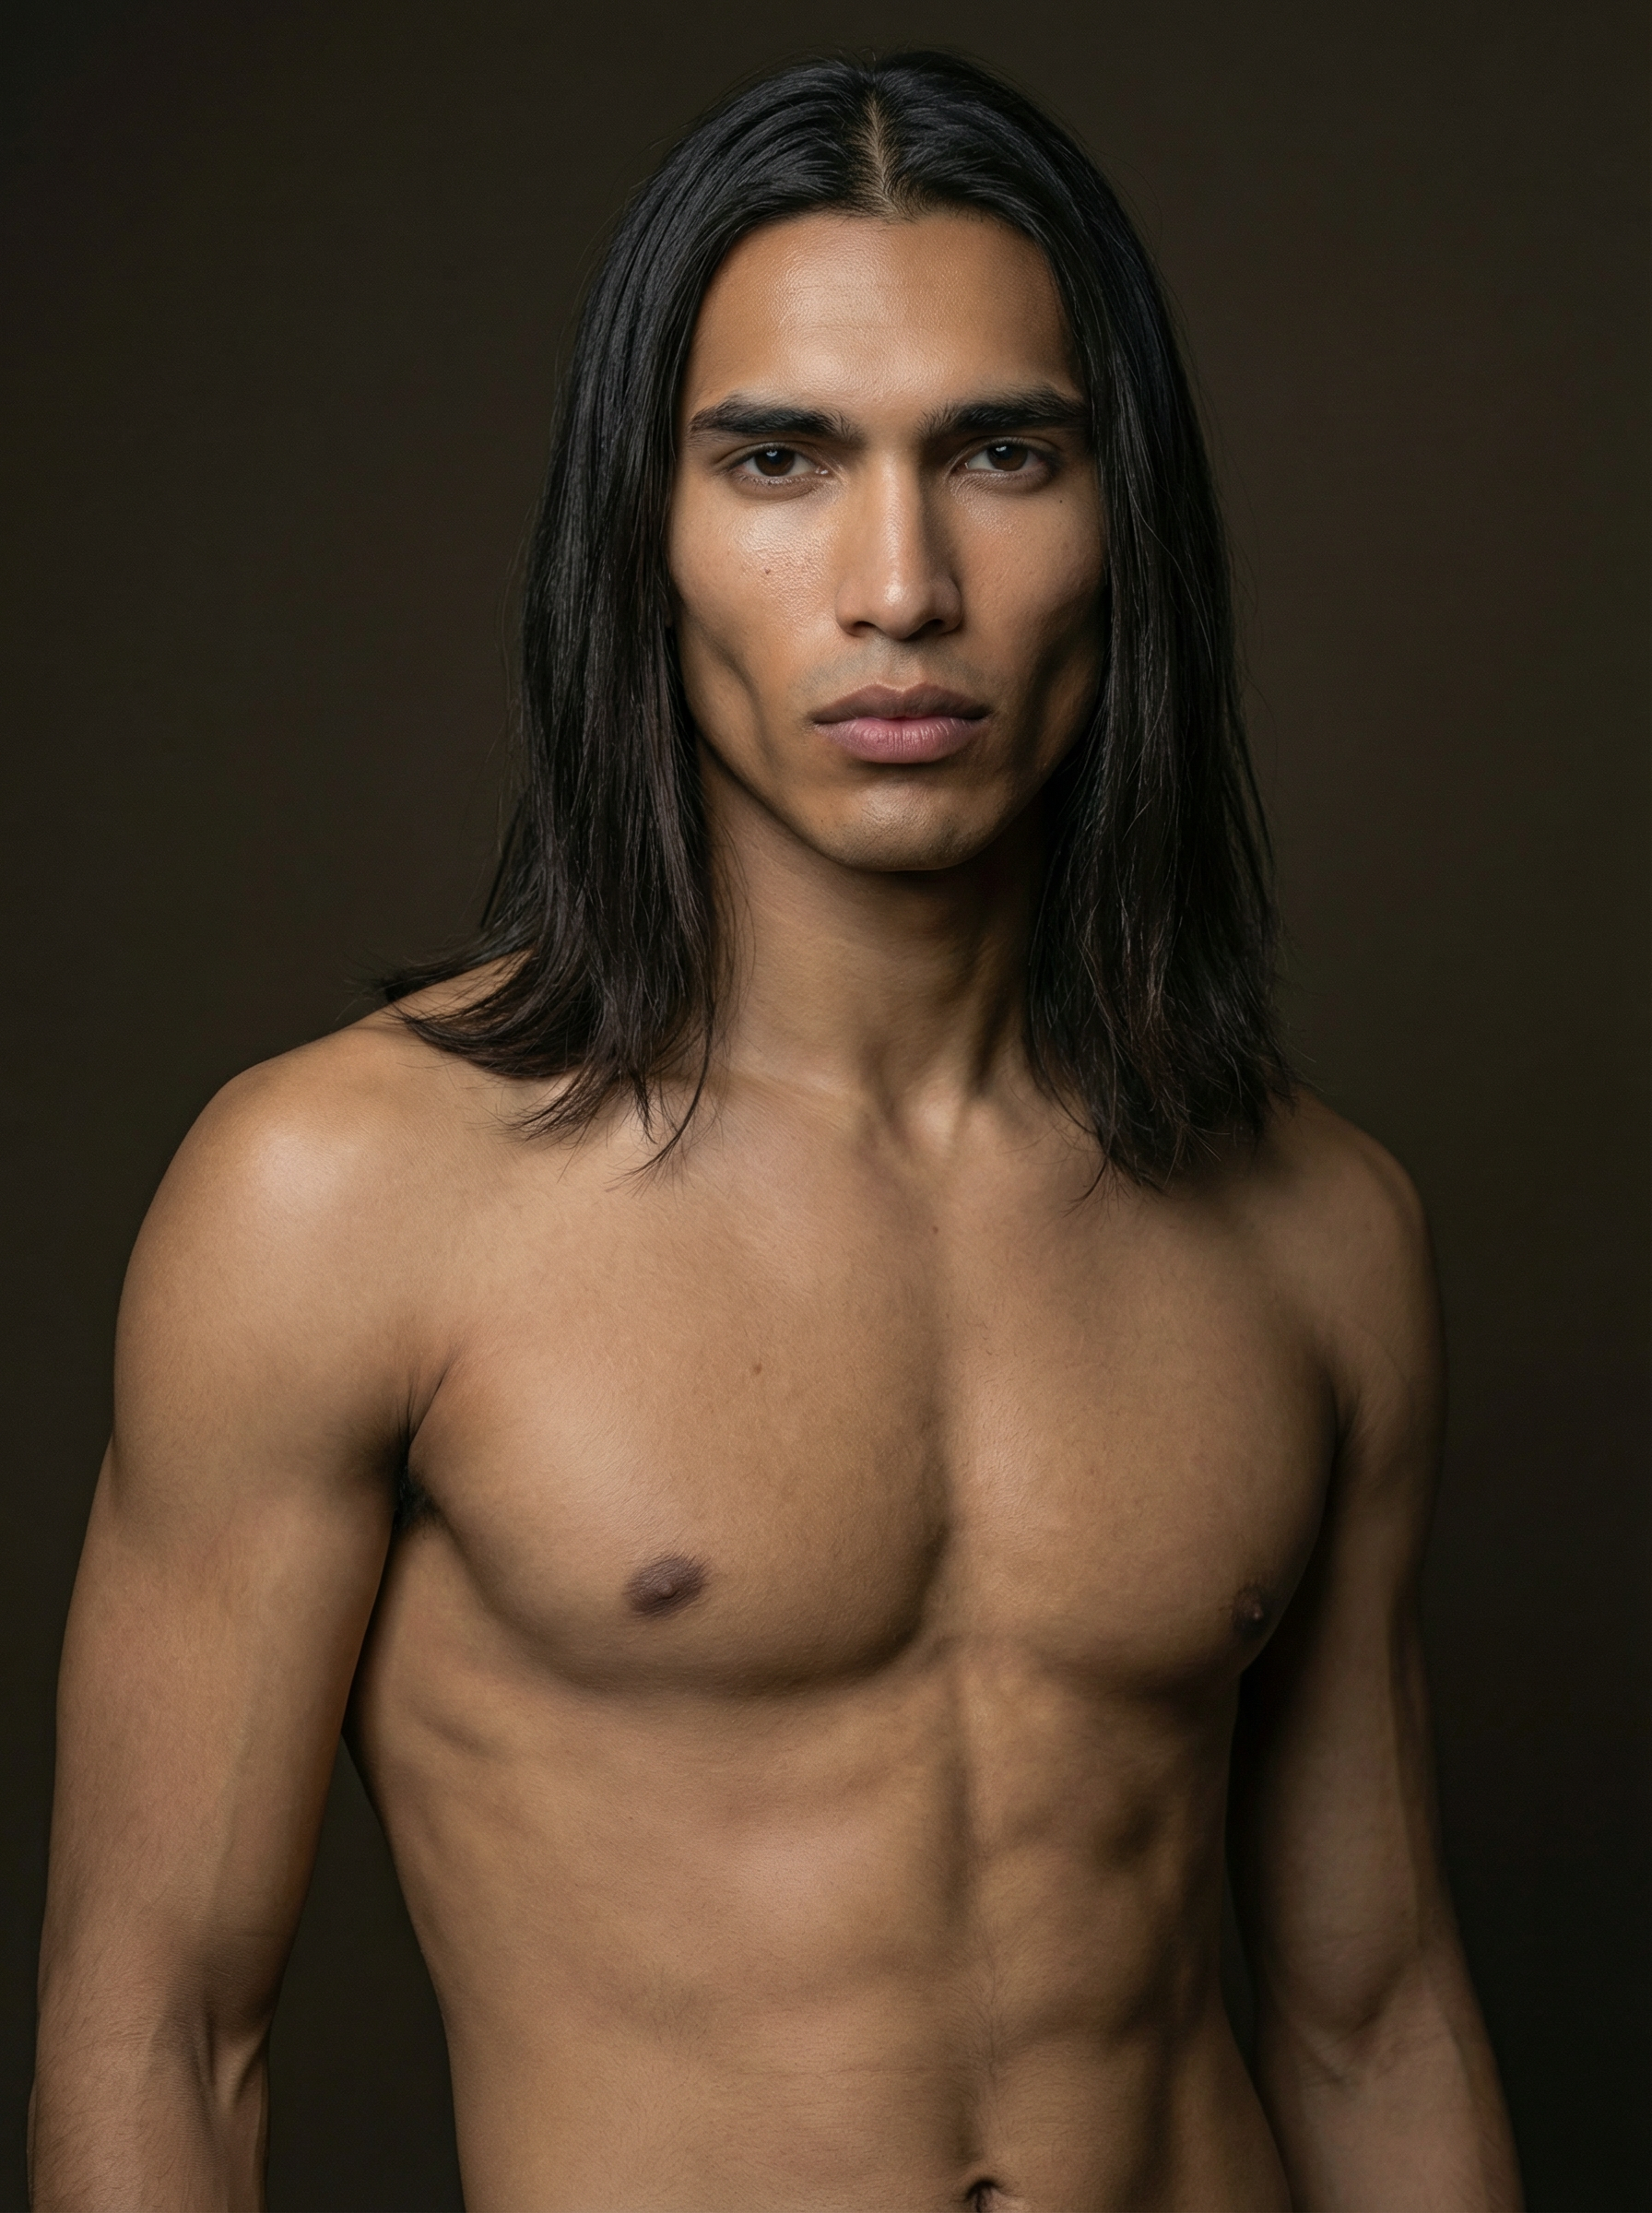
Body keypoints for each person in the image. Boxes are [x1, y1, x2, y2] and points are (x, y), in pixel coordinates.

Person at [30, 51, 1522, 2213]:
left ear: (1125, 527)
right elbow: (161, 2031)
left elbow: (1368, 2023)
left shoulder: (1315, 1229)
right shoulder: (340, 1200)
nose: (898, 585)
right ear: (641, 534)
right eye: (777, 458)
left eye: (1001, 453)